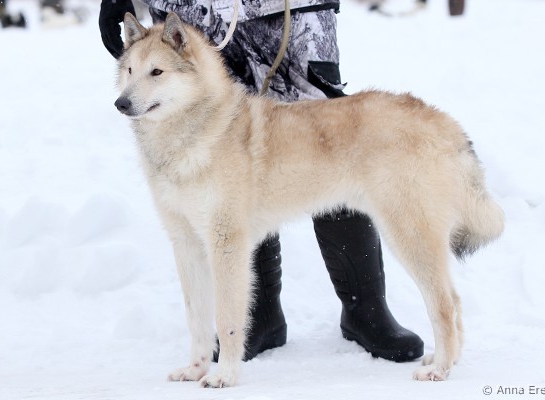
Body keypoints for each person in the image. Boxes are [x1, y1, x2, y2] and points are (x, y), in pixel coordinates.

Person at [99, 0, 424, 363]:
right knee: (233, 158)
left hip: (290, 11)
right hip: (194, 12)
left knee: (332, 141)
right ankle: (259, 317)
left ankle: (365, 308)